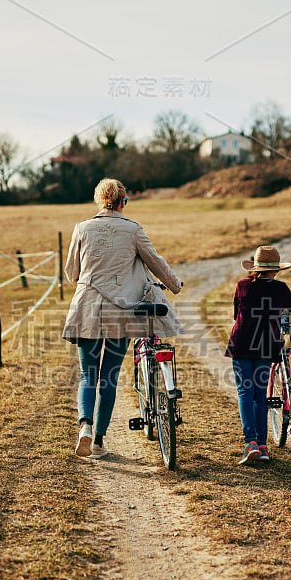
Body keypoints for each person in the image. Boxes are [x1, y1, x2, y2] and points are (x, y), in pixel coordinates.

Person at [62, 178, 183, 459]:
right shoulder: (133, 229)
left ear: (98, 202)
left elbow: (71, 273)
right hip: (121, 313)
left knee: (87, 374)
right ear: (123, 202)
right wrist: (175, 285)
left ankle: (85, 427)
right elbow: (155, 261)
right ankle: (100, 442)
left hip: (87, 310)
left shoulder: (81, 228)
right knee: (109, 377)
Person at [224, 245, 291, 465]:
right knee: (260, 395)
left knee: (245, 392)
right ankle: (262, 447)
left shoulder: (242, 285)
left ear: (256, 268)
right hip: (265, 346)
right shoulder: (280, 289)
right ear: (276, 270)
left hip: (241, 343)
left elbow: (236, 313)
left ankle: (250, 442)